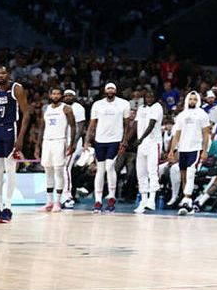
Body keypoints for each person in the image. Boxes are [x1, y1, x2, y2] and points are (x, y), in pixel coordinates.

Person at [0, 64, 29, 224]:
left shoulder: (17, 88)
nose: (0, 76)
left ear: (7, 74)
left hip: (11, 129)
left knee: (10, 170)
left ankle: (8, 209)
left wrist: (21, 138)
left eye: (3, 73)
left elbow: (26, 114)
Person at [86, 82, 131, 213]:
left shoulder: (124, 104)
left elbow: (127, 124)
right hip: (100, 140)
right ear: (105, 91)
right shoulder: (97, 105)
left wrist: (125, 141)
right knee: (100, 169)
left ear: (116, 90)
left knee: (110, 166)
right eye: (108, 88)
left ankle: (111, 197)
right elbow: (92, 124)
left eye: (112, 88)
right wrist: (87, 140)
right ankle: (98, 201)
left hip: (115, 140)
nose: (110, 90)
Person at [167, 91, 212, 213]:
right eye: (190, 99)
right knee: (183, 175)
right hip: (183, 149)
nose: (192, 101)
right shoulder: (182, 115)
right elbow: (177, 134)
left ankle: (187, 200)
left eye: (194, 99)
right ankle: (186, 200)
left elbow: (206, 134)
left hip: (196, 148)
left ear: (198, 101)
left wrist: (205, 151)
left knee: (191, 173)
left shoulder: (202, 114)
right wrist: (172, 150)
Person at [38, 87, 75, 214]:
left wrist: (72, 144)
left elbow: (73, 126)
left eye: (58, 94)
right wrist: (38, 145)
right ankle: (49, 202)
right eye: (53, 93)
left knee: (59, 171)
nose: (55, 95)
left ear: (61, 96)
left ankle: (58, 202)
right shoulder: (46, 108)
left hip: (60, 141)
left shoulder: (66, 108)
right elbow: (42, 127)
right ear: (50, 95)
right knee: (48, 170)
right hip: (47, 141)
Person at [132, 87, 165, 213]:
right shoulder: (141, 108)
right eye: (147, 97)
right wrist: (126, 140)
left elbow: (151, 125)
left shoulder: (157, 107)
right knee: (141, 172)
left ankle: (152, 199)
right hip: (142, 145)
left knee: (152, 171)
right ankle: (143, 200)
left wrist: (141, 138)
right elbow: (135, 125)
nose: (149, 99)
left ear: (155, 98)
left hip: (153, 143)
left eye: (151, 96)